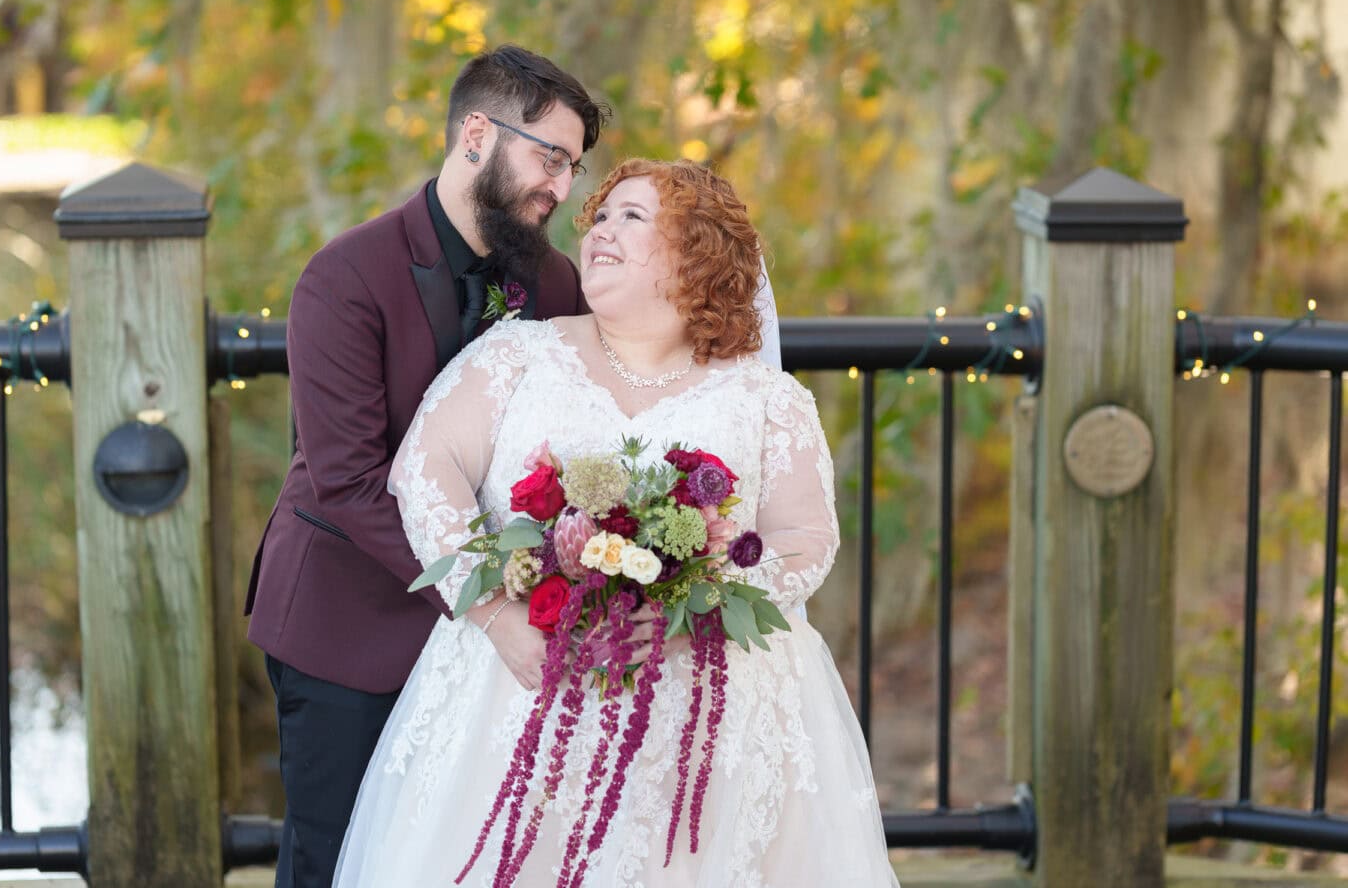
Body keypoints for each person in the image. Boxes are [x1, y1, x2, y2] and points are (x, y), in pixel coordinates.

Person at [335, 159, 899, 886]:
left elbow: (805, 541)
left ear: (698, 251)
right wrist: (498, 610)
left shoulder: (765, 398)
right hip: (518, 689)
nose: (600, 230)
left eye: (632, 217)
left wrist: (692, 603)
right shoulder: (518, 355)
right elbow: (424, 469)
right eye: (601, 216)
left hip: (708, 725)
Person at [244, 45, 610, 888]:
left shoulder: (556, 286)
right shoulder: (344, 278)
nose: (561, 188)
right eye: (548, 157)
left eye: (574, 167)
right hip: (346, 629)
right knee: (336, 866)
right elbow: (347, 484)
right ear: (476, 133)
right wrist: (489, 596)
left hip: (488, 650)